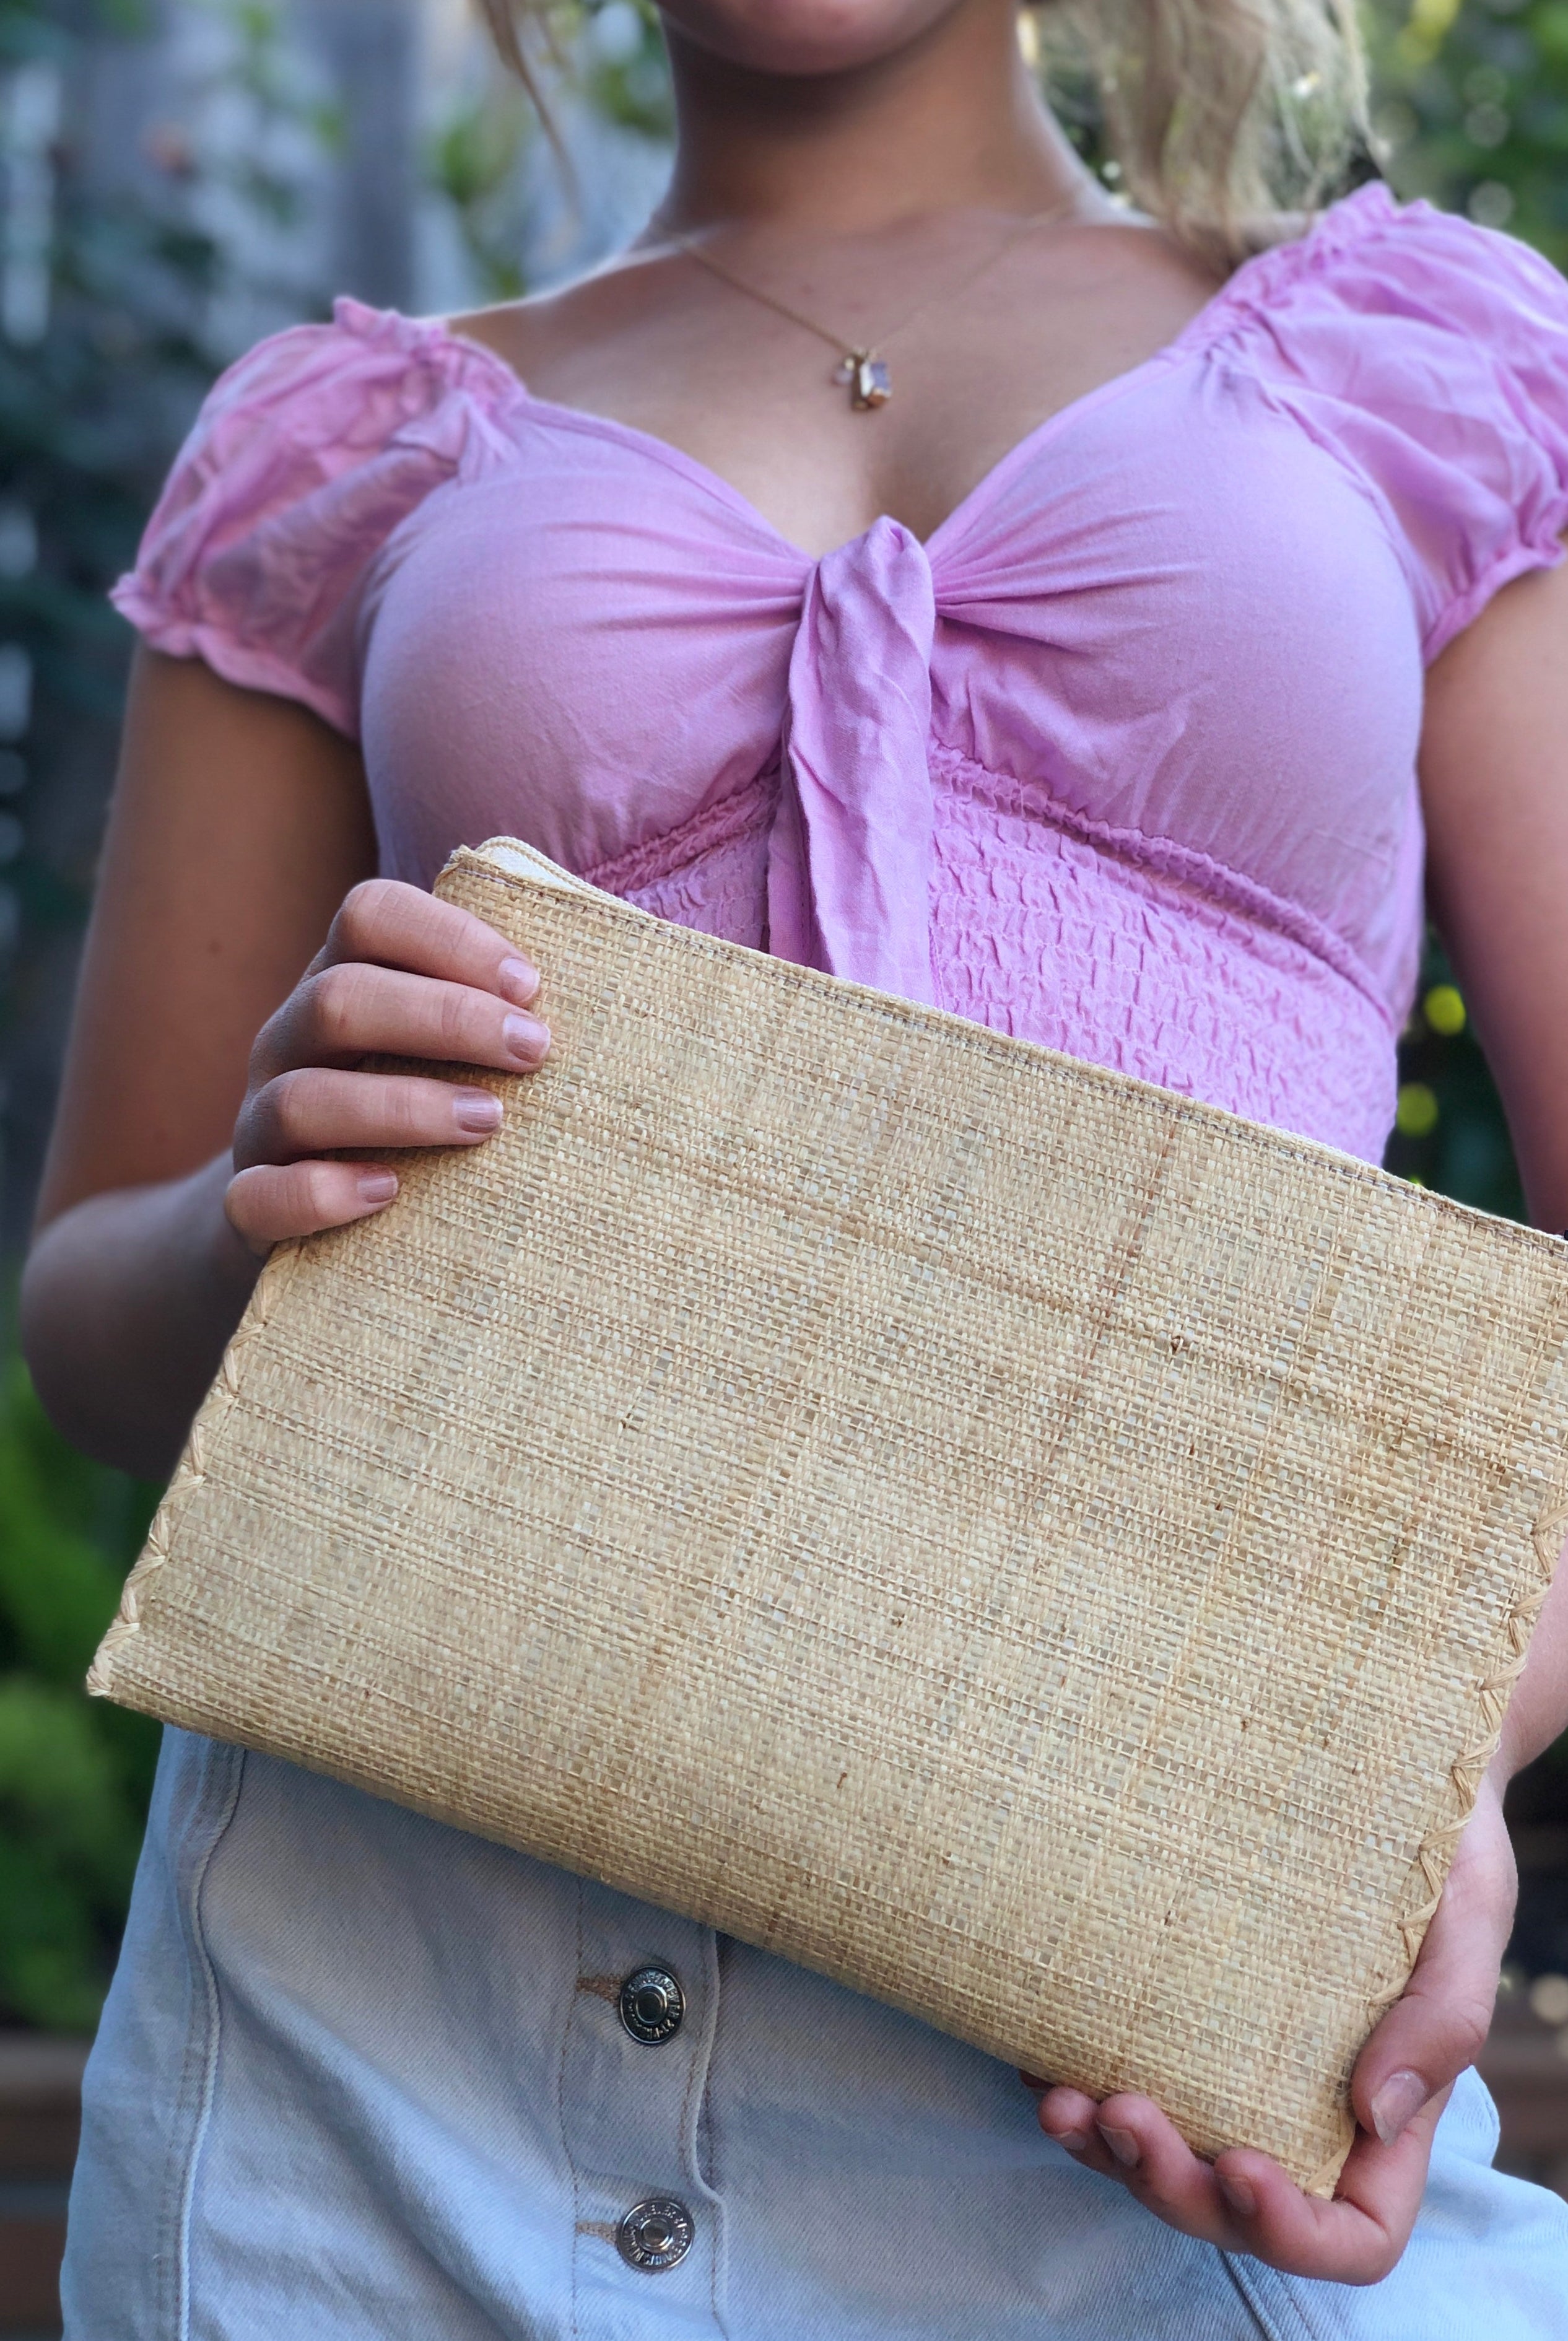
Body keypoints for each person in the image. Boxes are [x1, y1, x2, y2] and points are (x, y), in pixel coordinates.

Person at [22, 0, 1568, 2331]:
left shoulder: (1411, 361)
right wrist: (269, 1201)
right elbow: (88, 1311)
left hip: (1135, 2059)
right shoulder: (340, 444)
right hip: (385, 2058)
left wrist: (1424, 1771)